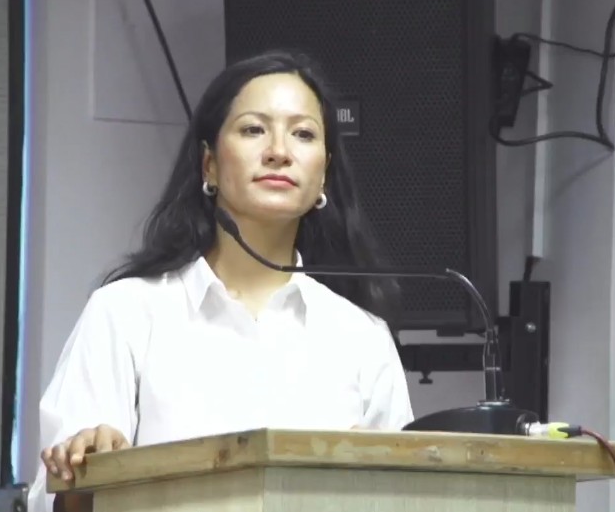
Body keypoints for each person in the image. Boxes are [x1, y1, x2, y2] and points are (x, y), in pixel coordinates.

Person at [27, 50, 414, 512]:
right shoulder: (126, 312)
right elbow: (54, 498)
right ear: (208, 164)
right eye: (253, 129)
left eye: (303, 134)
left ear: (324, 173)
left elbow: (408, 497)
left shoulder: (362, 337)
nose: (279, 151)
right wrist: (84, 471)